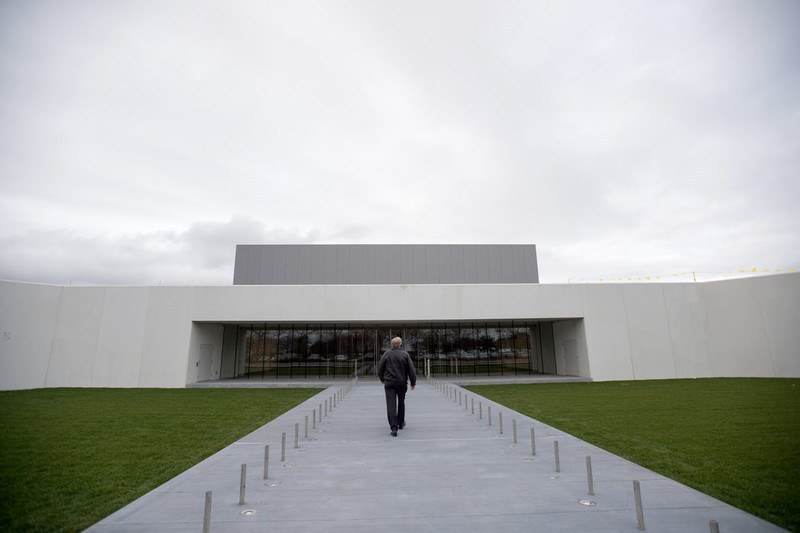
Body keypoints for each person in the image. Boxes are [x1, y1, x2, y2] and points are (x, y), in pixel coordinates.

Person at [377, 336, 417, 437]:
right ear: (400, 344)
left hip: (389, 382)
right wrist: (413, 382)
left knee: (391, 404)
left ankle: (394, 427)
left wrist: (382, 378)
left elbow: (380, 368)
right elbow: (411, 370)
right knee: (401, 402)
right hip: (401, 382)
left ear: (391, 344)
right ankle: (401, 422)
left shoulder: (387, 354)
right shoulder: (405, 354)